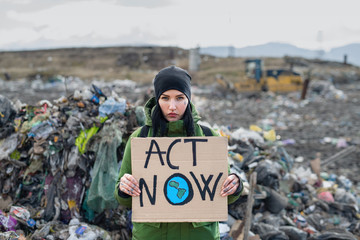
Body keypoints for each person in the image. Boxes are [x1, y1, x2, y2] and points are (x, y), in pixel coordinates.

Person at [114, 66, 243, 240]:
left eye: (179, 98)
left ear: (188, 99)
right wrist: (124, 188)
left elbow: (223, 196)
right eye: (165, 98)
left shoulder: (208, 136)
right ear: (157, 99)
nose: (172, 106)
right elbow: (124, 200)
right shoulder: (141, 138)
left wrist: (235, 186)